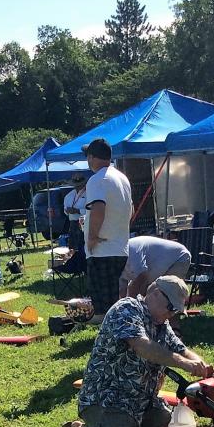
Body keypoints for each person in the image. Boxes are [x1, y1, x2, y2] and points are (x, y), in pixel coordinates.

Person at [60, 275, 214, 427]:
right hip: (108, 399)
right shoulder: (126, 309)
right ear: (155, 293)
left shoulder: (161, 324)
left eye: (175, 310)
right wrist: (184, 364)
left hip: (143, 402)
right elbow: (142, 346)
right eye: (170, 307)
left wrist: (206, 369)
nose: (171, 314)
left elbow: (182, 350)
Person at [83, 138, 133, 323]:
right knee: (115, 299)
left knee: (104, 305)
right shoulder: (122, 178)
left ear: (91, 157)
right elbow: (131, 209)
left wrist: (92, 236)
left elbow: (98, 208)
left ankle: (112, 333)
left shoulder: (97, 180)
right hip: (120, 247)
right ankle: (119, 329)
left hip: (102, 250)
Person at [119, 235, 192, 299]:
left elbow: (142, 276)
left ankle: (174, 309)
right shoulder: (119, 260)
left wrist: (130, 300)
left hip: (179, 257)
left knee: (168, 292)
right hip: (156, 265)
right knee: (151, 296)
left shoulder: (131, 250)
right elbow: (122, 290)